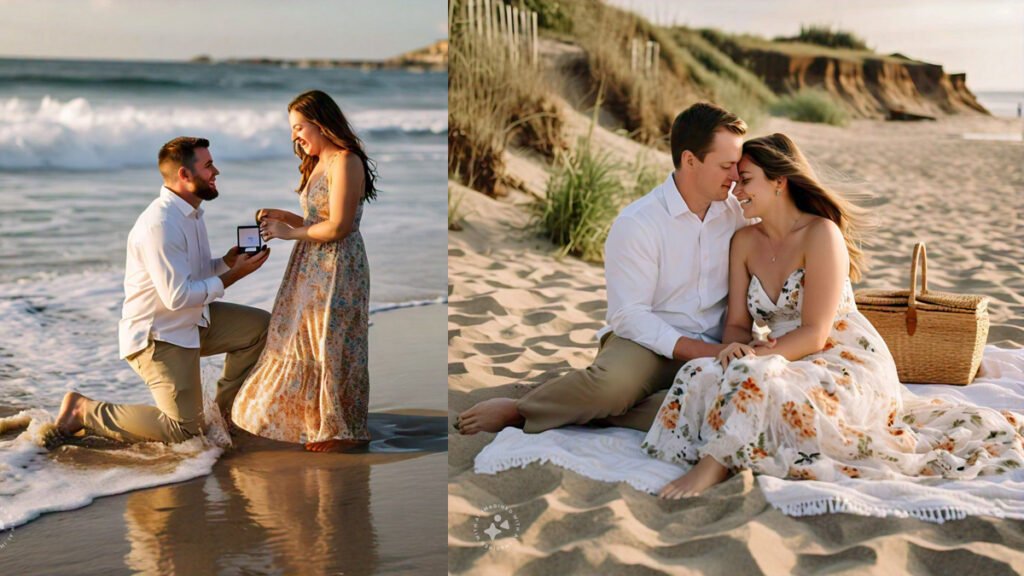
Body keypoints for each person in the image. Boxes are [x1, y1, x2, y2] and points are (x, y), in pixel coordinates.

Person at [644, 133, 1024, 499]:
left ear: (780, 181)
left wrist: (753, 359)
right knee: (703, 372)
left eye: (745, 181)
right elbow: (739, 324)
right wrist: (733, 349)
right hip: (780, 350)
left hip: (841, 355)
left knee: (752, 375)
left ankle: (714, 465)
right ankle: (730, 437)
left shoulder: (821, 234)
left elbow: (814, 333)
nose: (735, 191)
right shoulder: (743, 241)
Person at [456, 102, 753, 435]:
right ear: (690, 160)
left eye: (737, 165)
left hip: (718, 345)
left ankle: (586, 409)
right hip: (647, 345)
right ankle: (521, 409)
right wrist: (706, 350)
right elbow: (629, 316)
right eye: (726, 165)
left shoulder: (737, 213)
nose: (735, 176)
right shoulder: (639, 223)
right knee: (610, 389)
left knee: (722, 410)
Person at [54, 137, 272, 443]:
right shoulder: (161, 224)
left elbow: (191, 274)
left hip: (194, 321)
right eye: (208, 166)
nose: (216, 171)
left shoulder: (191, 213)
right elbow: (178, 296)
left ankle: (222, 417)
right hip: (159, 336)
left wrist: (225, 263)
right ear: (184, 175)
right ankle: (84, 411)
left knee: (261, 328)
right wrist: (233, 276)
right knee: (184, 433)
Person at [230, 90, 378, 452]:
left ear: (322, 123)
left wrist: (289, 233)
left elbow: (340, 227)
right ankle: (317, 423)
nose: (295, 136)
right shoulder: (318, 163)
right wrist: (286, 218)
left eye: (300, 127)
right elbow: (319, 221)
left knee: (330, 342)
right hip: (312, 263)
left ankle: (340, 431)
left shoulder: (346, 161)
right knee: (302, 338)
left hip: (337, 266)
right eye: (292, 129)